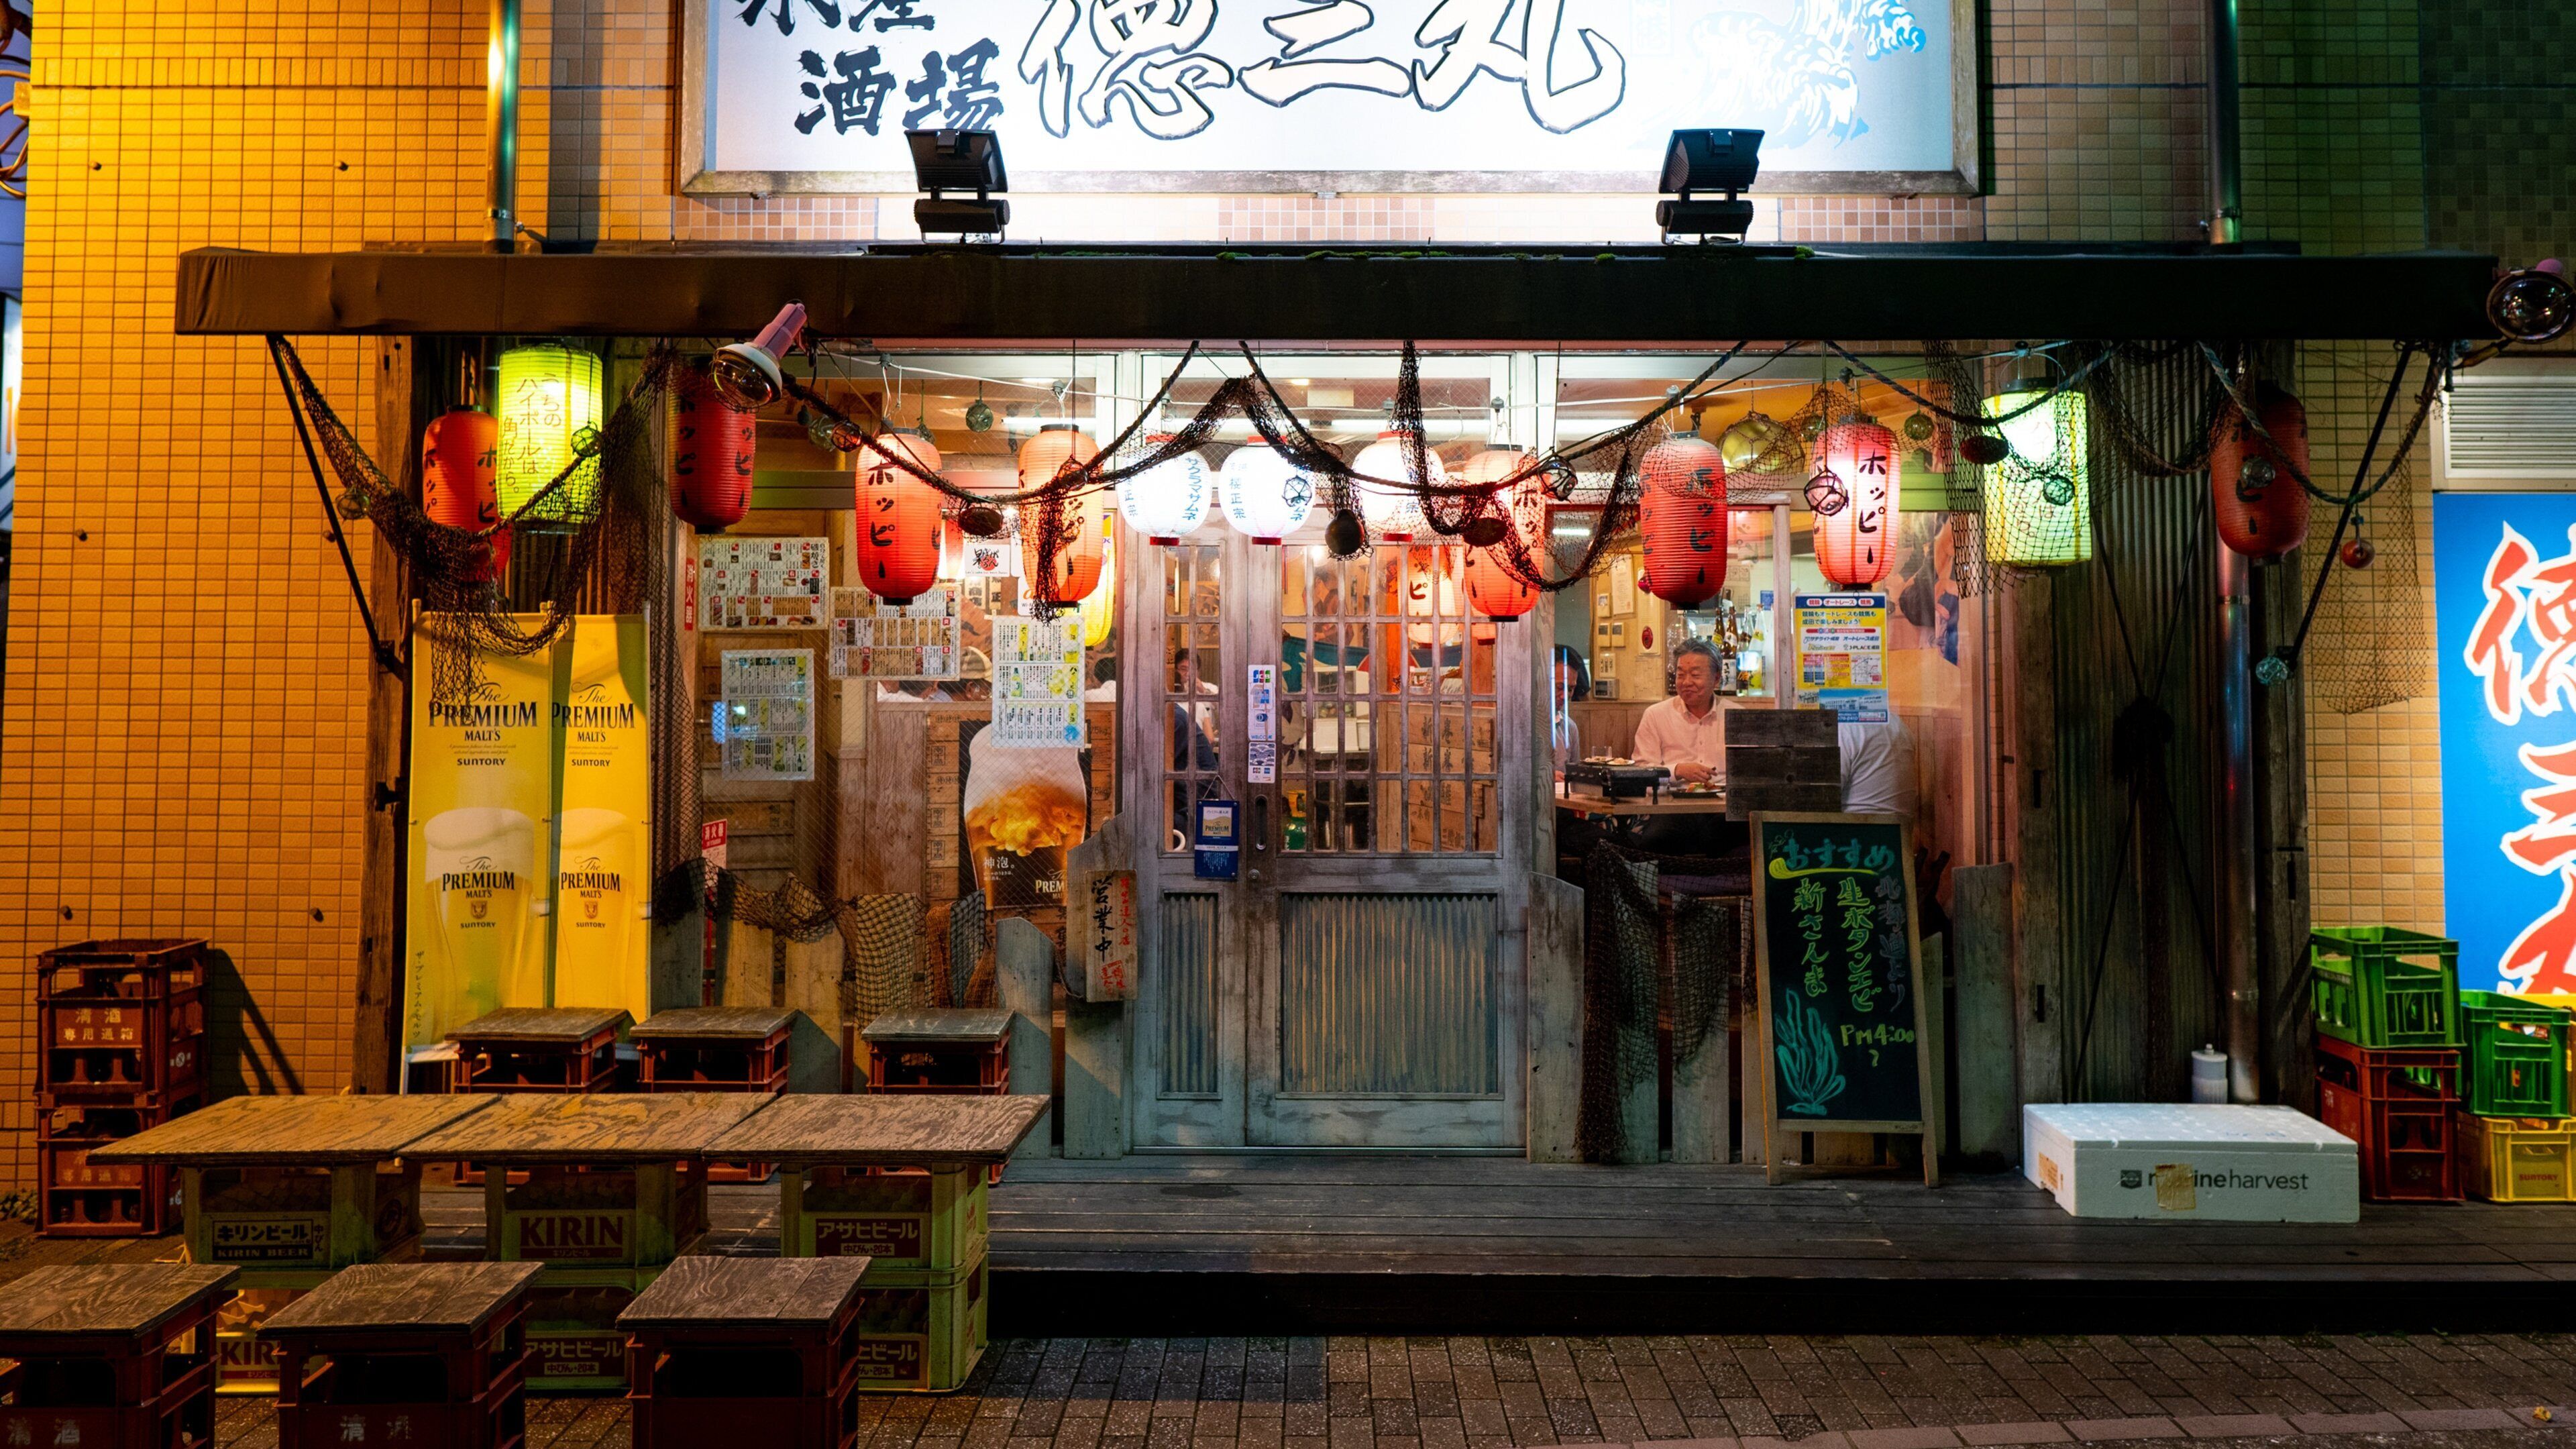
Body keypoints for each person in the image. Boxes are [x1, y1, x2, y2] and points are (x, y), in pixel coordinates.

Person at [1630, 635, 1727, 785]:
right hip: (1671, 805)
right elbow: (1641, 772)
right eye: (1680, 675)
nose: (1687, 682)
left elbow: (1750, 773)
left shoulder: (1734, 714)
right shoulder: (1656, 715)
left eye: (1695, 675)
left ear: (1716, 679)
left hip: (1724, 804)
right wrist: (1677, 771)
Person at [1839, 716, 1918, 817]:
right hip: (1898, 831)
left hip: (1855, 828)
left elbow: (1821, 798)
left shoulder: (1844, 728)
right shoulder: (1900, 726)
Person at [1550, 645, 1589, 781]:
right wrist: (1546, 777)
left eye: (1571, 689)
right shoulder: (1520, 725)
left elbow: (1574, 777)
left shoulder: (1569, 727)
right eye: (1560, 687)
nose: (1565, 696)